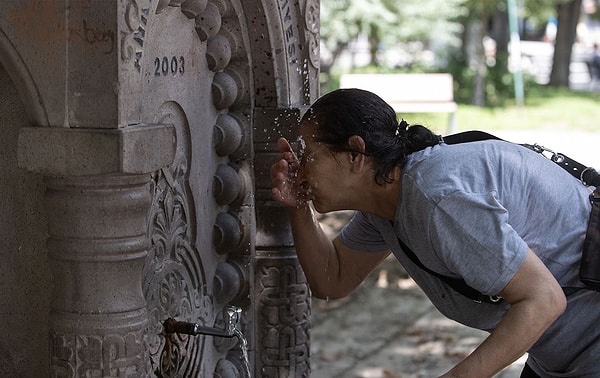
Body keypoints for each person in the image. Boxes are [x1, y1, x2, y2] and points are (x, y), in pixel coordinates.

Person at [270, 88, 600, 377]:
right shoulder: (386, 205)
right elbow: (332, 278)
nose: (300, 172)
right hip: (561, 358)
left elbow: (544, 300)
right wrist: (298, 207)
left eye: (309, 156)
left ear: (355, 154)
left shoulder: (436, 199)